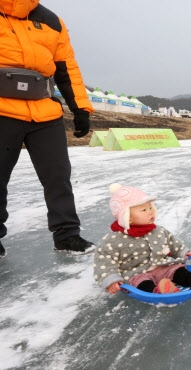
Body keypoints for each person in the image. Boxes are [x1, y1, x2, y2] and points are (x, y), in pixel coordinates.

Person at [0, 0, 94, 258]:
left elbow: (67, 68)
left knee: (58, 176)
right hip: (2, 109)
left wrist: (80, 109)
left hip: (44, 111)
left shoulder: (51, 20)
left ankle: (67, 236)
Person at [93, 183, 191, 295]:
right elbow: (104, 260)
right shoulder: (114, 240)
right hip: (135, 273)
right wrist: (110, 280)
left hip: (161, 266)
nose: (150, 212)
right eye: (144, 210)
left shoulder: (157, 230)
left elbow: (171, 241)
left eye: (150, 207)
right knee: (140, 282)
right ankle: (158, 291)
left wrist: (182, 252)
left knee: (175, 269)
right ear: (127, 217)